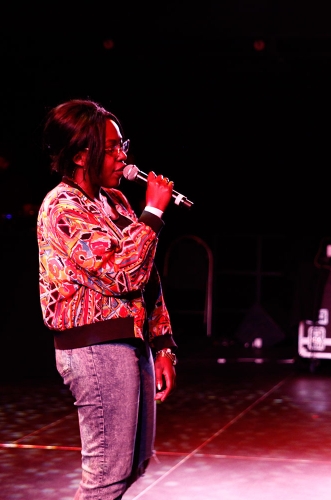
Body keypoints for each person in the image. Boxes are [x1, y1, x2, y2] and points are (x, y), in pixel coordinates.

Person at [37, 98, 177, 499]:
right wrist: (153, 212)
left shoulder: (114, 201)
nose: (123, 157)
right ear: (81, 156)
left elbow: (146, 276)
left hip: (130, 341)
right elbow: (122, 272)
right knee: (107, 475)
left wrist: (163, 344)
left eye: (122, 146)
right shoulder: (61, 208)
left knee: (134, 463)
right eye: (112, 148)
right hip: (95, 348)